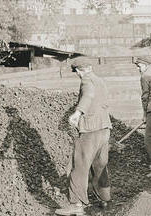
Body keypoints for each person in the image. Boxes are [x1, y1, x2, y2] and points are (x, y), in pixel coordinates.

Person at [55, 56, 112, 216]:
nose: (78, 75)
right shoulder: (100, 81)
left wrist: (78, 113)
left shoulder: (86, 81)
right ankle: (104, 198)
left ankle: (76, 205)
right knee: (99, 165)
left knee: (79, 166)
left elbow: (88, 96)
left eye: (77, 72)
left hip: (90, 129)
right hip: (104, 128)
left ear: (80, 70)